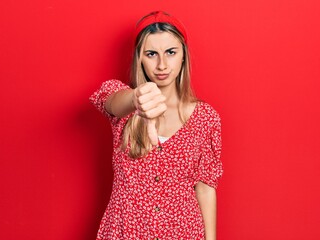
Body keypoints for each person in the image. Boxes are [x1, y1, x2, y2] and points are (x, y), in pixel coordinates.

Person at [89, 10, 223, 240]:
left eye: (171, 52)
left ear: (183, 55)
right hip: (126, 231)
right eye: (151, 54)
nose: (162, 64)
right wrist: (135, 99)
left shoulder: (205, 118)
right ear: (139, 58)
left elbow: (205, 188)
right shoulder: (124, 102)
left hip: (182, 232)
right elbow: (108, 101)